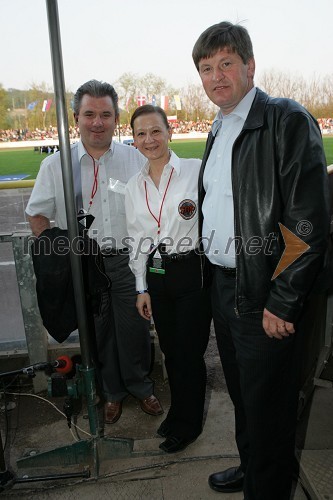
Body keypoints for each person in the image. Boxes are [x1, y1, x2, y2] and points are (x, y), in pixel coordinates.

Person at [192, 22, 330, 499]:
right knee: (244, 399)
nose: (216, 76)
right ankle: (253, 469)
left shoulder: (286, 119)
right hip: (224, 287)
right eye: (207, 69)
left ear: (250, 66)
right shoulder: (219, 126)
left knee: (270, 410)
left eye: (226, 63)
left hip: (265, 292)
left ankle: (268, 486)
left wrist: (284, 301)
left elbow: (308, 223)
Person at [26, 80, 163, 425]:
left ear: (116, 118)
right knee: (98, 333)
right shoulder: (56, 166)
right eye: (90, 114)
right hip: (86, 264)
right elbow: (37, 213)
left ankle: (140, 386)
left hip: (129, 262)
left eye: (105, 114)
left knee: (134, 329)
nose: (97, 122)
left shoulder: (136, 159)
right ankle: (112, 393)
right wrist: (59, 254)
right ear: (76, 117)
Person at [124, 105, 212, 453]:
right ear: (133, 141)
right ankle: (178, 413)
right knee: (172, 353)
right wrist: (141, 287)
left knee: (190, 353)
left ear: (170, 132)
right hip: (158, 277)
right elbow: (137, 239)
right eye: (141, 134)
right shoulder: (133, 186)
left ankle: (188, 425)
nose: (150, 140)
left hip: (192, 271)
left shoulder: (195, 171)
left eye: (156, 131)